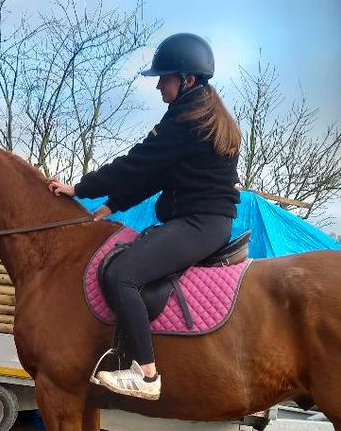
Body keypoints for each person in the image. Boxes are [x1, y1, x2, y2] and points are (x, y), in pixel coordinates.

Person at [48, 32, 241, 401]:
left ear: (187, 79)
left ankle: (146, 374)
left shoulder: (188, 118)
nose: (158, 87)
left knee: (122, 274)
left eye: (163, 78)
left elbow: (138, 162)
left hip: (200, 223)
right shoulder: (199, 112)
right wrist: (111, 205)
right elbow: (158, 174)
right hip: (203, 220)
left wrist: (81, 188)